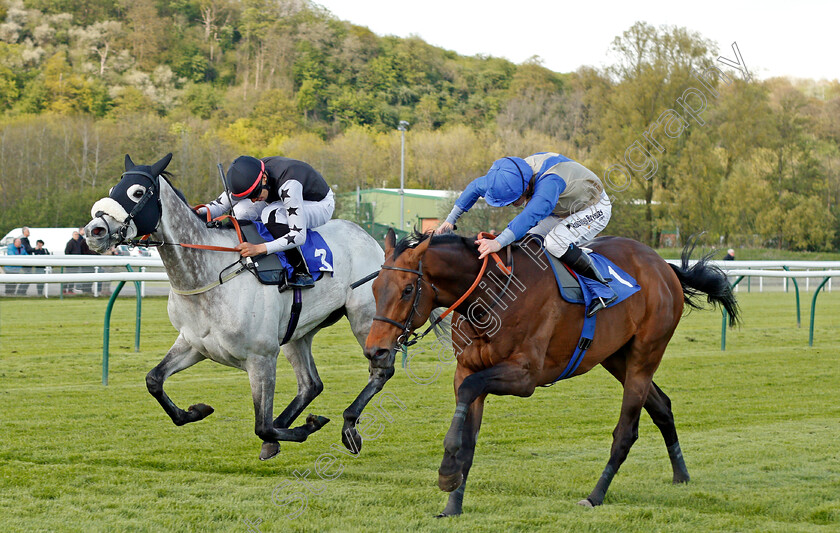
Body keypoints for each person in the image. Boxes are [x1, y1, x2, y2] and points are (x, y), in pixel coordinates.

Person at [436, 152, 616, 317]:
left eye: (513, 201)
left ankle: (603, 290)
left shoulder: (549, 183)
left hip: (593, 208)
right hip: (562, 207)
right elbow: (475, 187)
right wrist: (450, 220)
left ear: (526, 188)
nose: (512, 205)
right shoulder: (508, 175)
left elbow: (529, 217)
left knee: (555, 242)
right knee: (526, 241)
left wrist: (497, 243)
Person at [198, 155, 335, 288]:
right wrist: (196, 212)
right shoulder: (252, 175)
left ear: (264, 178)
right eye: (248, 196)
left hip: (319, 204)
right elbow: (219, 206)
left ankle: (301, 270)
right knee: (240, 210)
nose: (253, 200)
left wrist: (259, 249)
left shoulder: (289, 185)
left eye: (254, 194)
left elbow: (298, 235)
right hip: (279, 198)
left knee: (271, 214)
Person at [65, 230, 85, 294]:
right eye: (75, 235)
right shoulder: (70, 243)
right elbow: (67, 252)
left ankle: (70, 290)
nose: (77, 236)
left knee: (72, 278)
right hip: (71, 264)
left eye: (77, 235)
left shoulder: (77, 243)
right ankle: (64, 290)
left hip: (76, 263)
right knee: (68, 277)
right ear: (73, 235)